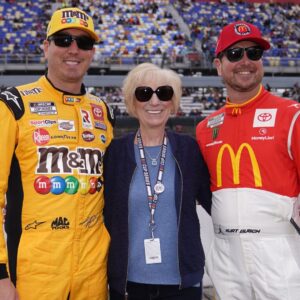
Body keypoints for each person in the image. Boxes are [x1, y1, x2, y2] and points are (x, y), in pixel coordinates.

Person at [0, 7, 114, 300]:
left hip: (93, 271)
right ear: (46, 47)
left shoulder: (102, 110)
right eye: (64, 40)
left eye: (84, 43)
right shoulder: (14, 104)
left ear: (92, 52)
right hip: (34, 271)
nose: (73, 49)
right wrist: (0, 274)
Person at [196, 21, 300, 300]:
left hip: (280, 252)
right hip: (225, 254)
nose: (245, 61)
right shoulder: (205, 128)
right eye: (234, 54)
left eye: (253, 53)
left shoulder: (292, 115)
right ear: (218, 65)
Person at [103, 62, 212, 300]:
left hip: (183, 283)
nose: (155, 102)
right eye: (144, 93)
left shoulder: (189, 150)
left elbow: (216, 200)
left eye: (164, 93)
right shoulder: (115, 153)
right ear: (133, 102)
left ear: (173, 102)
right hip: (128, 284)